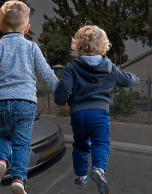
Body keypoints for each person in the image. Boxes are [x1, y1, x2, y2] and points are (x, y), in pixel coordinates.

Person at [0, 0, 58, 194]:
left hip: (0, 104)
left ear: (0, 27)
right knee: (21, 144)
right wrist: (62, 93)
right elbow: (46, 74)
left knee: (2, 137)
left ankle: (0, 160)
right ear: (27, 28)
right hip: (25, 104)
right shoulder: (32, 48)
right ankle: (18, 179)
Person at [54, 25, 139, 194]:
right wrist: (136, 78)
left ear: (78, 46)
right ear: (103, 46)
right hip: (99, 114)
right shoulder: (109, 68)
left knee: (80, 145)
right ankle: (99, 170)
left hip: (78, 115)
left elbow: (63, 90)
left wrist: (61, 101)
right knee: (100, 143)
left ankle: (80, 177)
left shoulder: (72, 67)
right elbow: (128, 80)